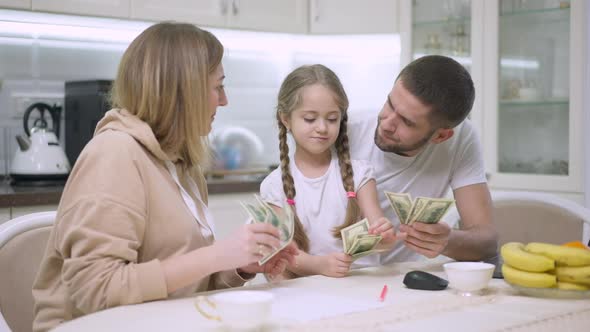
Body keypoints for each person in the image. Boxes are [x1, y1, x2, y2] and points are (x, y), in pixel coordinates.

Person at [32, 22, 297, 332]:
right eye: (218, 86)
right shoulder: (114, 154)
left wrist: (237, 265)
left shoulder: (182, 162)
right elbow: (96, 290)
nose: (224, 100)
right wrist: (215, 255)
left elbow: (185, 283)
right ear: (184, 90)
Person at [348, 55, 498, 264]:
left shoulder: (462, 138)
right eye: (390, 104)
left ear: (441, 136)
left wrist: (447, 241)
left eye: (407, 122)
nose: (387, 124)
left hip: (402, 281)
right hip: (335, 276)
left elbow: (487, 241)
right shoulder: (343, 130)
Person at [260, 64, 402, 279]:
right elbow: (284, 252)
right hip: (311, 292)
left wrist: (385, 237)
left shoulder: (360, 174)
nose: (322, 128)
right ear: (286, 119)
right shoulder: (274, 185)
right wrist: (320, 265)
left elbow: (379, 238)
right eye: (310, 119)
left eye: (332, 118)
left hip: (363, 288)